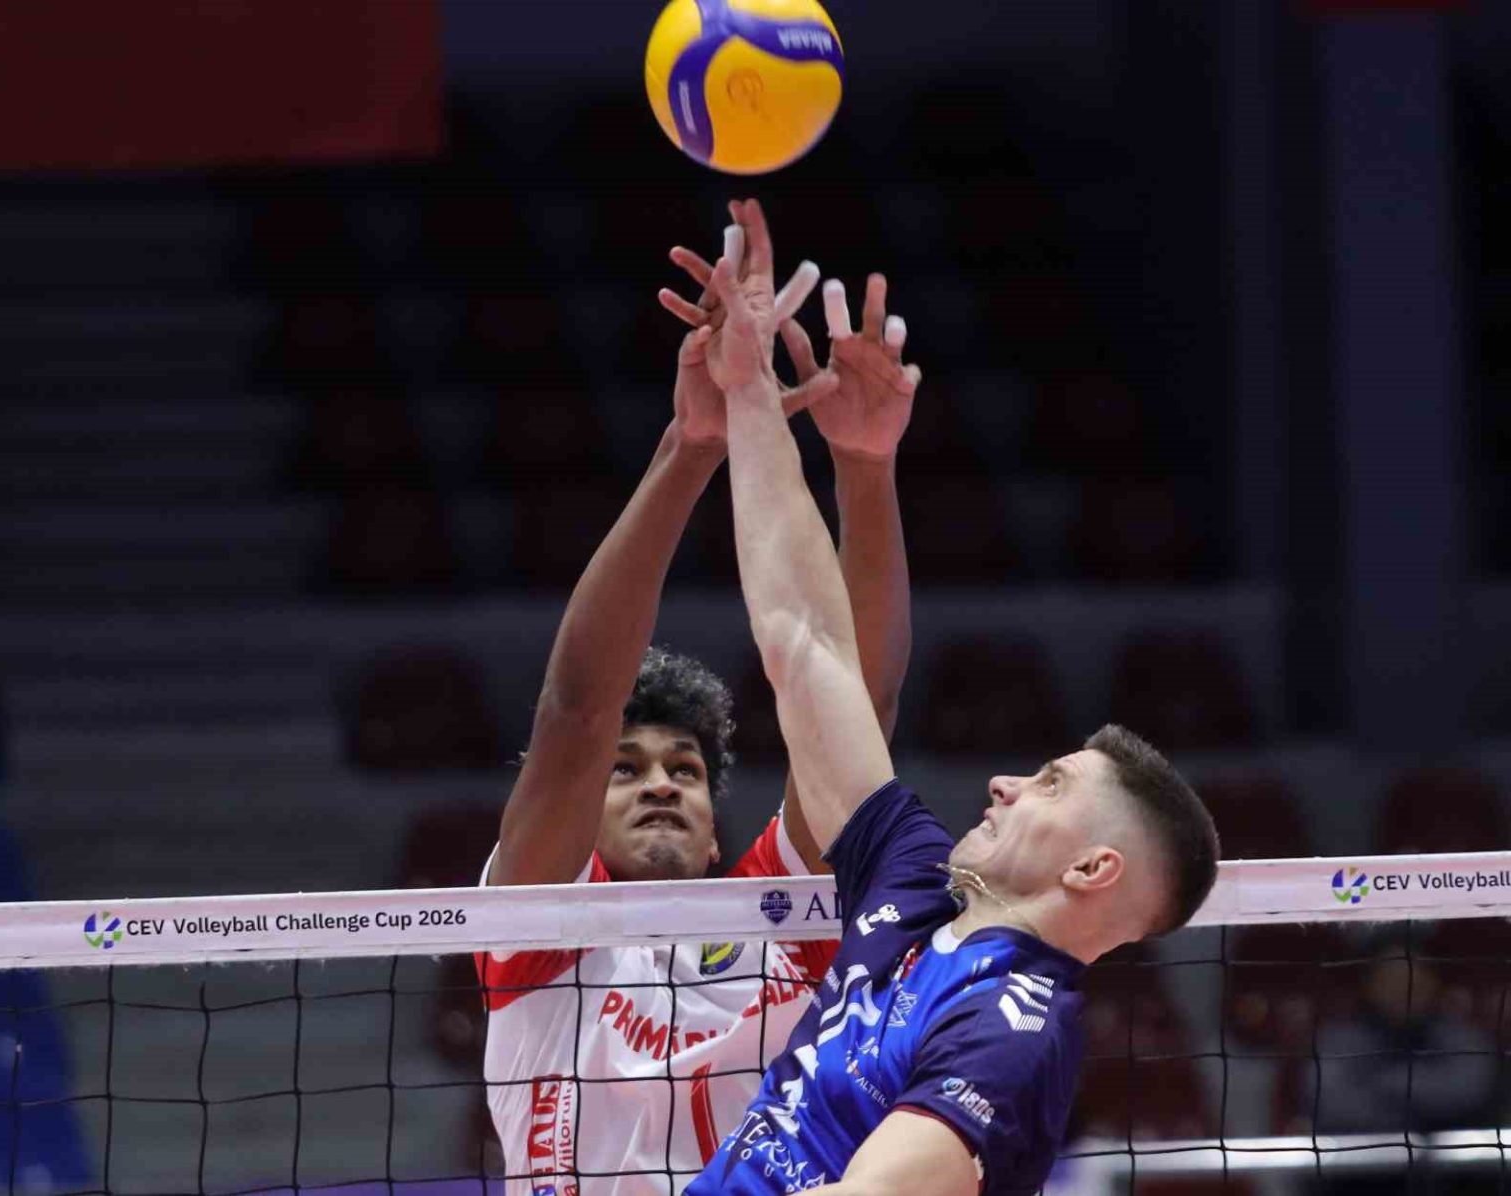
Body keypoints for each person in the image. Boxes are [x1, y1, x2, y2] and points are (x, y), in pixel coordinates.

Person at [680, 198, 1220, 1196]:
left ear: (1093, 867)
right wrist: (748, 385)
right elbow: (804, 645)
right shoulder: (914, 885)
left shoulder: (1012, 1027)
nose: (1006, 782)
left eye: (1051, 783)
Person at [476, 212, 921, 1194]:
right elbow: (575, 715)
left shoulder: (781, 913)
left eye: (684, 769)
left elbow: (861, 705)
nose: (660, 785)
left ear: (718, 827)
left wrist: (865, 466)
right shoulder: (541, 941)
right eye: (628, 770)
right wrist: (692, 443)